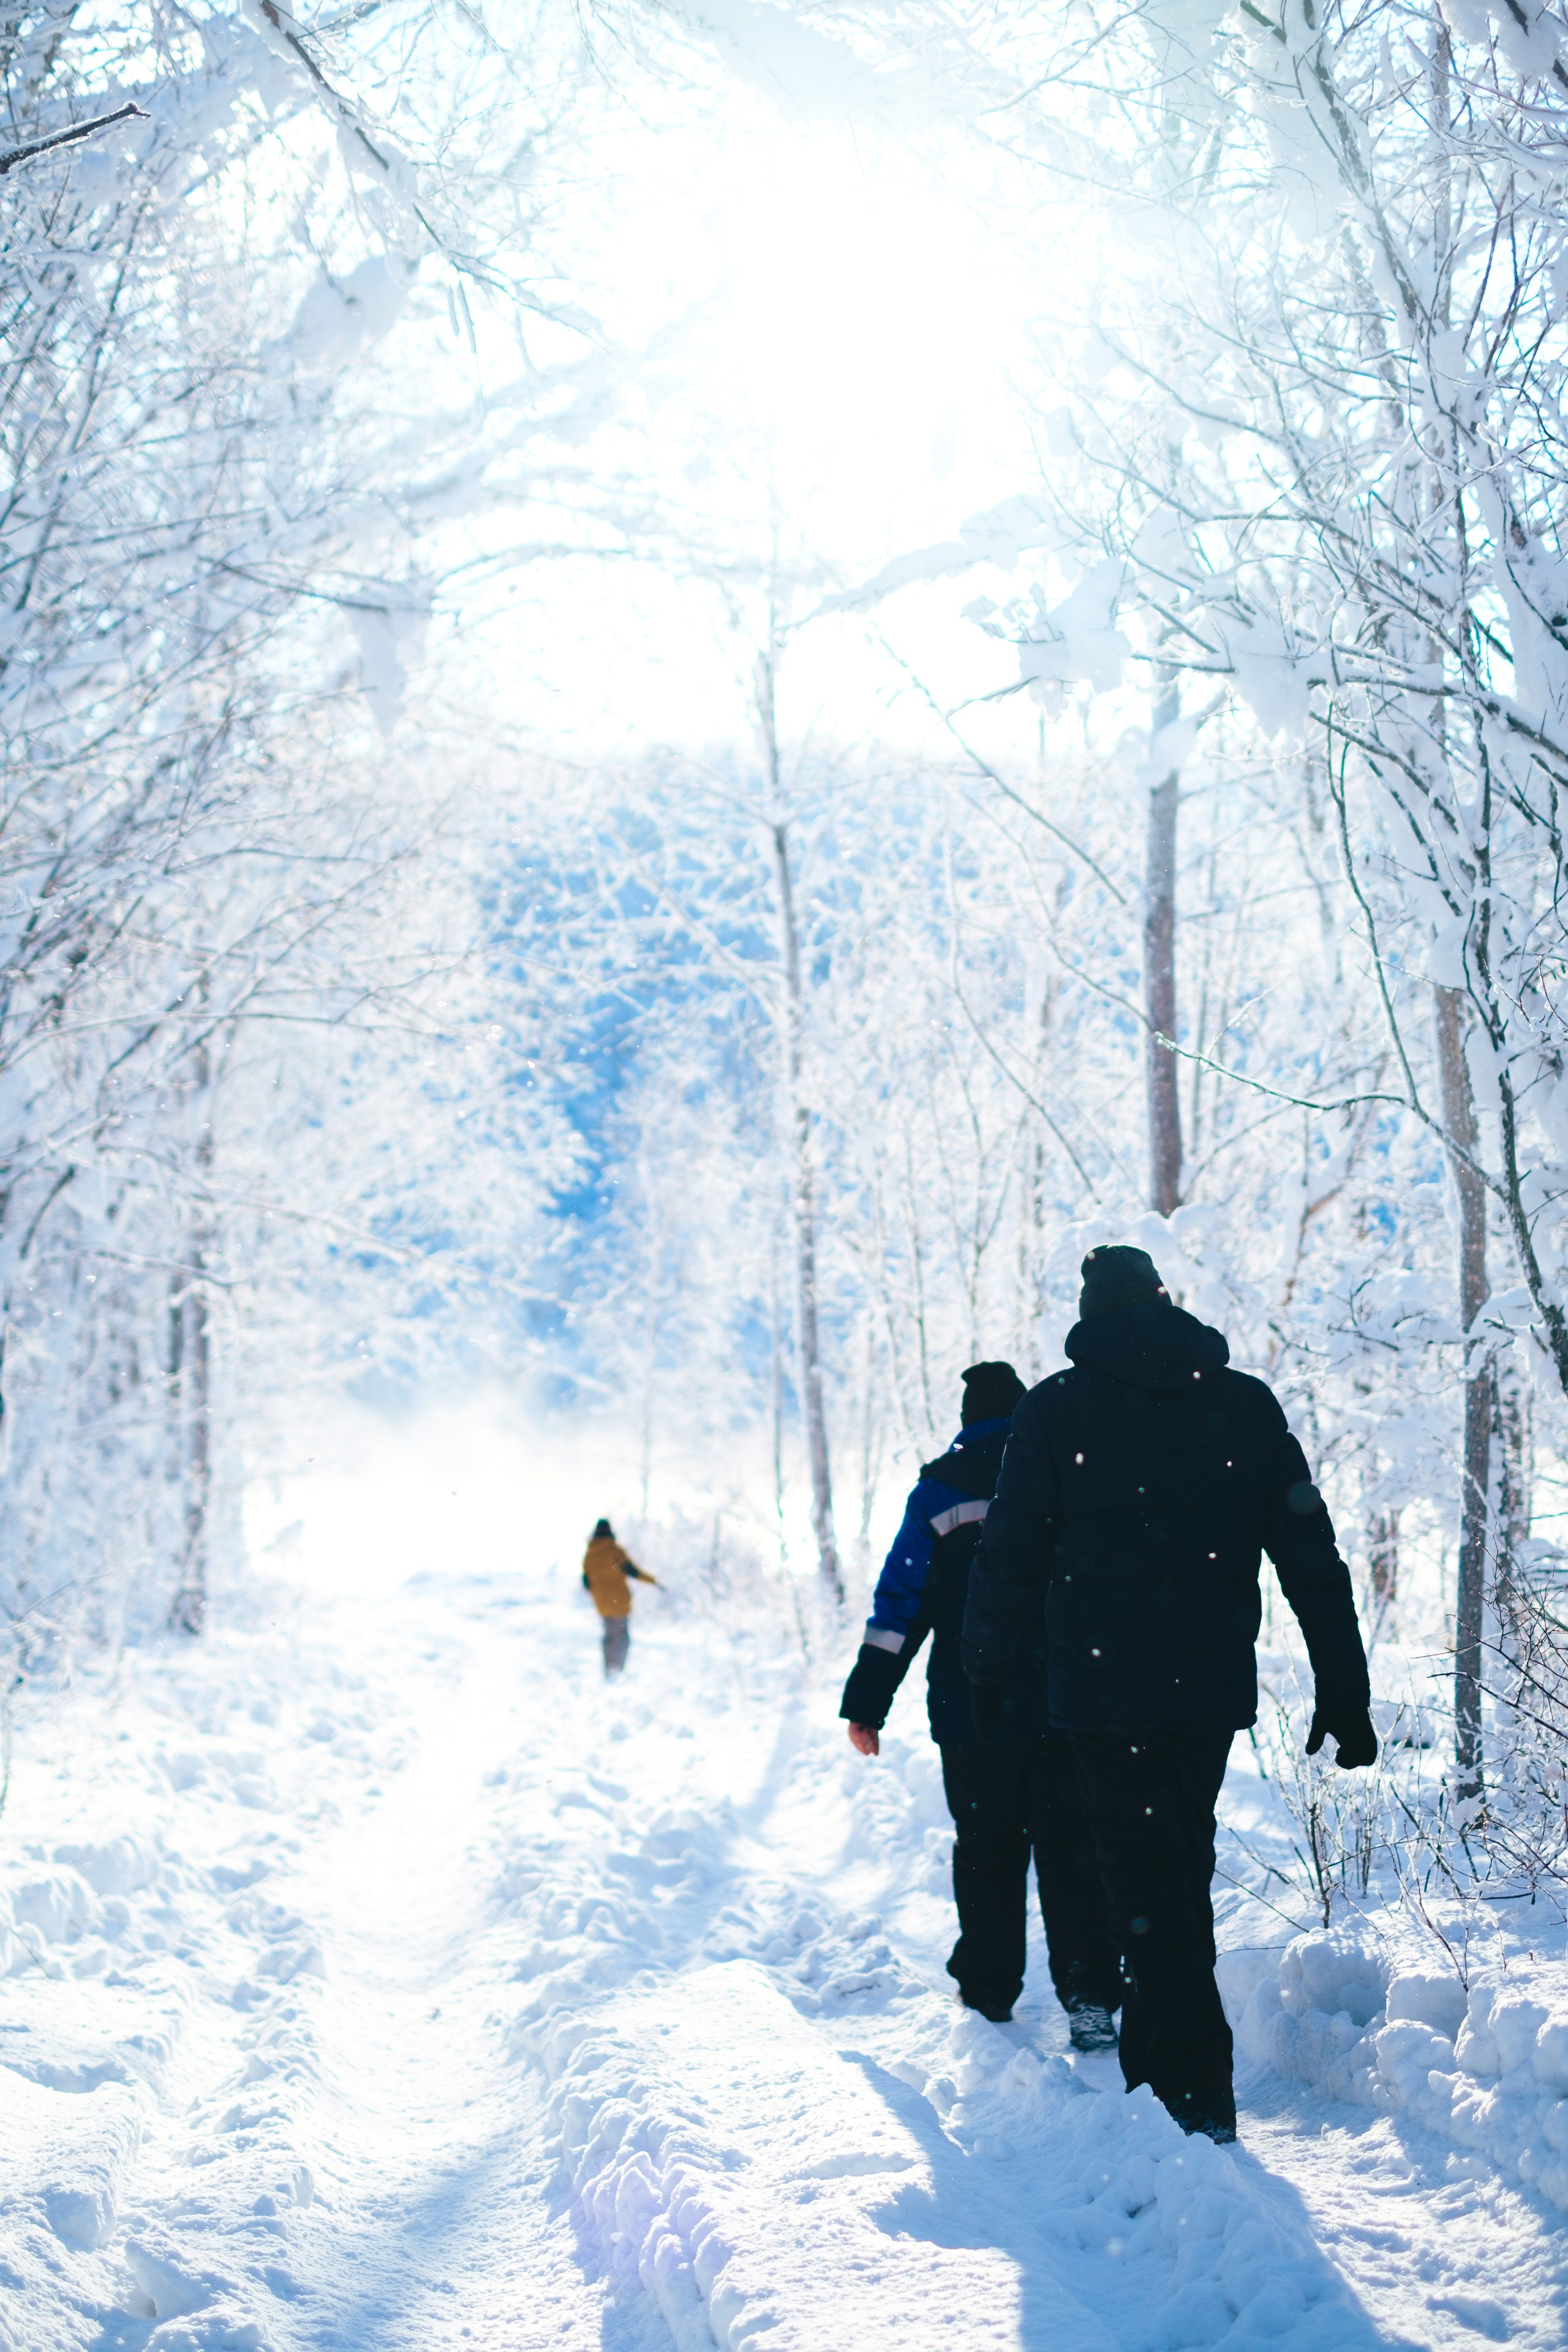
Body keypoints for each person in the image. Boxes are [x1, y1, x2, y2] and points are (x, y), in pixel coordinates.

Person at [962, 1245, 1376, 2144]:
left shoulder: (1055, 1408)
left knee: (1147, 1882)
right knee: (1174, 1869)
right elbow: (1311, 1554)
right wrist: (1344, 1688)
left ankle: (1191, 2099)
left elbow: (1008, 1557)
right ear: (1164, 1302)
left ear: (1089, 1316)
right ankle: (1162, 2087)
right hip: (1205, 1689)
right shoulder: (1243, 1405)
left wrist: (983, 1671)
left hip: (1100, 1691)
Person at [839, 1360, 1123, 2047]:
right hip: (1064, 1702)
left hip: (970, 1706)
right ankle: (1088, 1992)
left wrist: (867, 1702)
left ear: (966, 1422)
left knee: (986, 1846)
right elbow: (1106, 1589)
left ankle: (989, 1991)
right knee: (1071, 1846)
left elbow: (899, 1605)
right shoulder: (1064, 1474)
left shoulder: (937, 1492)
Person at [581, 1518, 658, 1678]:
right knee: (622, 1637)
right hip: (620, 1603)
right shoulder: (615, 1551)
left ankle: (608, 1668)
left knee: (609, 1636)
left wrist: (598, 1595)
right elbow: (633, 1572)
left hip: (602, 1604)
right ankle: (619, 1669)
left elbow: (586, 1582)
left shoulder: (590, 1555)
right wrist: (652, 1581)